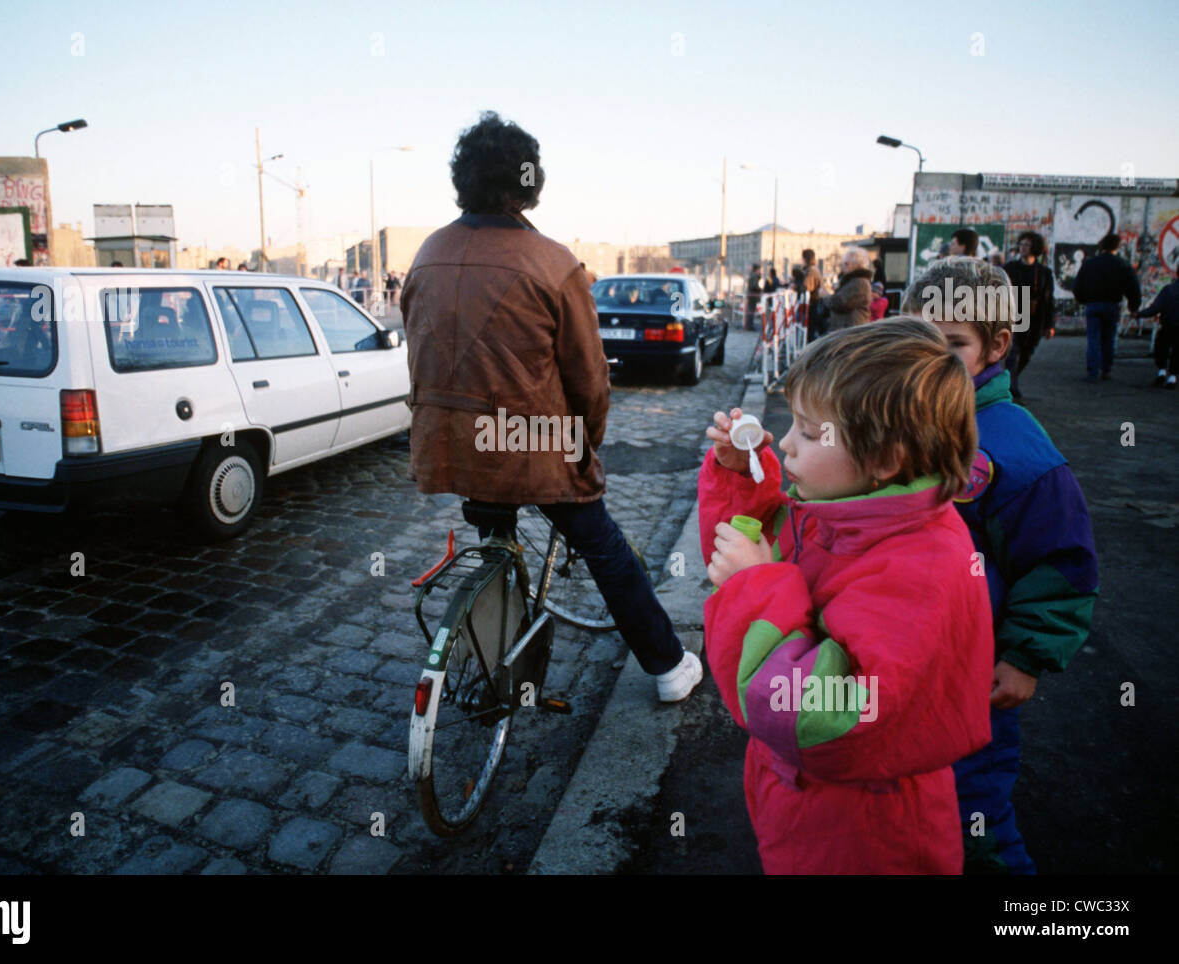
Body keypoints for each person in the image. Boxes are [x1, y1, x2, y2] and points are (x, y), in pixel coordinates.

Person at [401, 110, 701, 702]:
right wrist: (584, 444)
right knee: (602, 544)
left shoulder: (427, 251)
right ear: (528, 183)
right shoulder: (552, 261)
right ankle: (668, 667)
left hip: (446, 441)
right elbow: (589, 378)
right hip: (528, 443)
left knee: (493, 532)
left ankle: (493, 652)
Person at [698, 318, 993, 873]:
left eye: (810, 433)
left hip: (865, 836)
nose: (784, 442)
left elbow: (817, 715)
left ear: (884, 458)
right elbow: (750, 543)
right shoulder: (846, 514)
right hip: (810, 807)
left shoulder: (920, 568)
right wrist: (743, 475)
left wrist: (752, 587)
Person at [904, 257, 1099, 874]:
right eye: (919, 340)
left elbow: (1061, 562)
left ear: (997, 344)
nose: (932, 358)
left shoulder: (1017, 447)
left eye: (953, 344)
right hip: (905, 661)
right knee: (909, 808)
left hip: (975, 677)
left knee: (974, 816)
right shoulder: (905, 420)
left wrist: (1024, 657)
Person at [1072, 233, 1141, 381]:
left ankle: (1092, 371)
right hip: (1112, 305)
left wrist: (1083, 300)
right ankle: (1106, 369)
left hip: (1093, 304)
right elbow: (1133, 287)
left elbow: (1078, 285)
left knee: (1093, 339)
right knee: (1108, 338)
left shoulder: (1090, 263)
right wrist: (1133, 307)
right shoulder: (1122, 264)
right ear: (1117, 246)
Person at [1003, 232, 1056, 401]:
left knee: (1026, 353)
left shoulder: (1043, 272)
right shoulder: (1010, 268)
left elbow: (1048, 299)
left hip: (1035, 317)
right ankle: (1012, 389)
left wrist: (1050, 324)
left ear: (1035, 248)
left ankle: (1011, 380)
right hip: (1014, 315)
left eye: (1026, 244)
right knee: (1013, 352)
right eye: (1021, 244)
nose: (1022, 248)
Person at [1137, 274, 1179, 388]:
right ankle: (1173, 377)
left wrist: (1140, 314)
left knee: (1161, 348)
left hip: (1168, 324)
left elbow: (1156, 308)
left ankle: (1162, 371)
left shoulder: (1168, 289)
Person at [820, 247, 873, 329]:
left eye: (847, 264)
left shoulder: (859, 283)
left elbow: (840, 302)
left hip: (851, 332)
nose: (843, 266)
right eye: (843, 263)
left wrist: (825, 296)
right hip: (846, 330)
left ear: (858, 265)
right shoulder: (852, 281)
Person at [745, 263, 762, 331]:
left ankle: (749, 325)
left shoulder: (752, 274)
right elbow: (754, 286)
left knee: (751, 310)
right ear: (757, 269)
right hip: (753, 295)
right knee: (751, 311)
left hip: (751, 294)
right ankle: (750, 326)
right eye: (759, 269)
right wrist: (760, 289)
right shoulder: (754, 275)